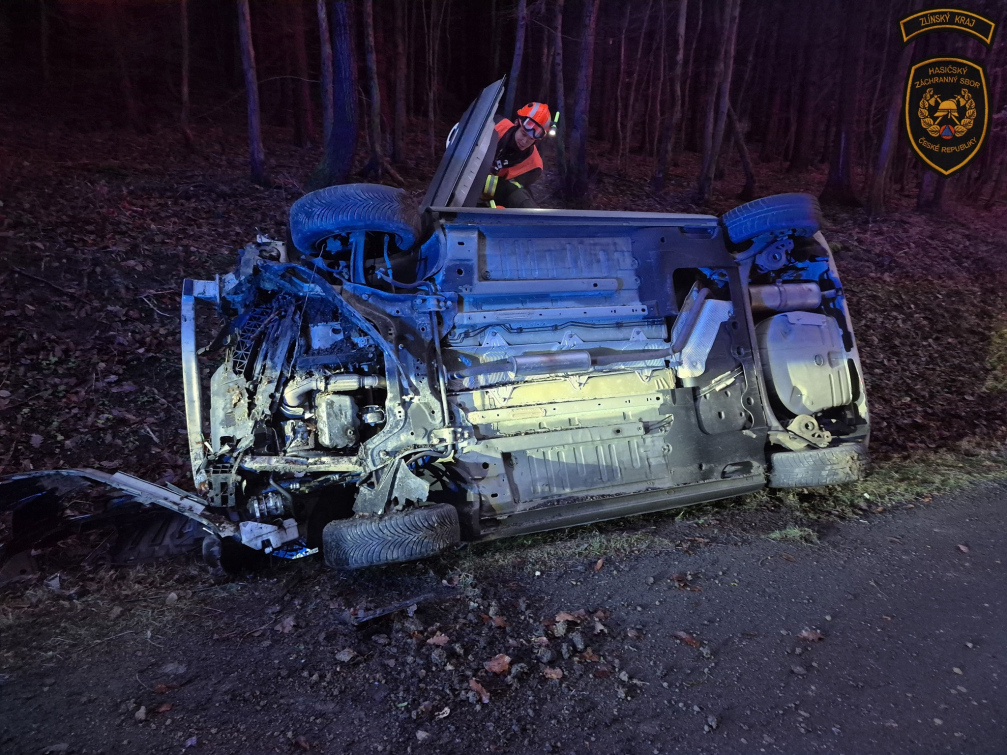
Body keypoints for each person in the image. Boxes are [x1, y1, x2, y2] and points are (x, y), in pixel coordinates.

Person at [483, 102, 551, 209]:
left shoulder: (534, 166)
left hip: (492, 202)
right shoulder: (496, 125)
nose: (524, 141)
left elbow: (510, 193)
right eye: (523, 134)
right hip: (466, 183)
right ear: (516, 123)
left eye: (531, 139)